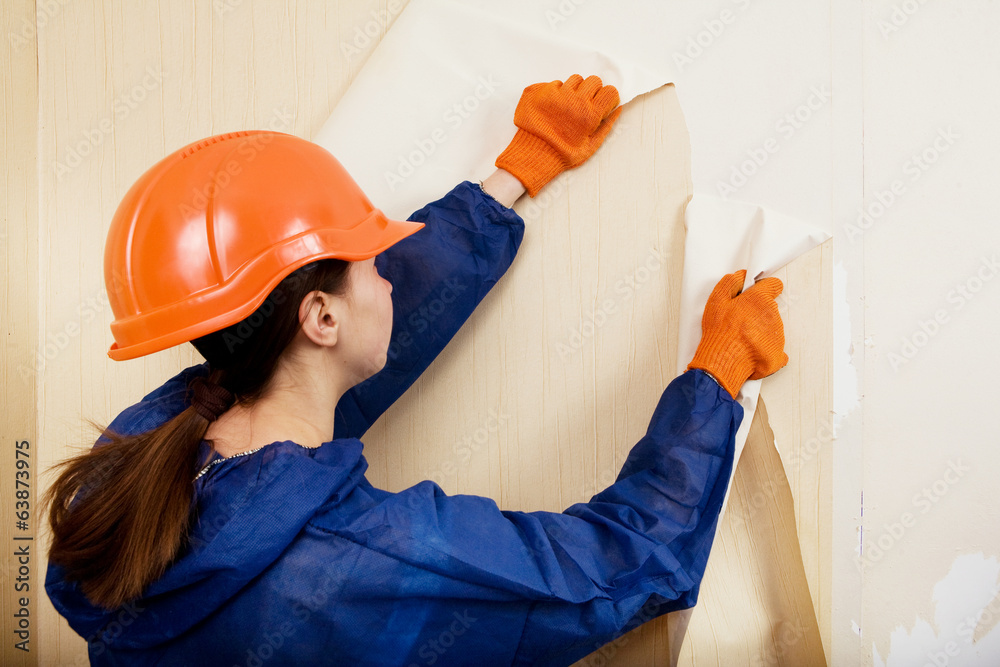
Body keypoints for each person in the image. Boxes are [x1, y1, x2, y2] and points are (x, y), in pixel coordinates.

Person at [44, 74, 787, 666]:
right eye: (374, 264)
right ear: (320, 319)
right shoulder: (356, 566)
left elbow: (357, 340)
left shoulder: (139, 458)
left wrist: (514, 177)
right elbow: (612, 570)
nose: (391, 279)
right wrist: (714, 382)